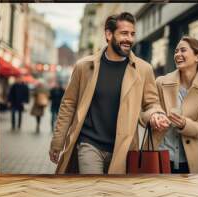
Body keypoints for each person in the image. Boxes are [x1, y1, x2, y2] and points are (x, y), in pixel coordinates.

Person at [49, 12, 169, 175]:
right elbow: (68, 104)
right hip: (89, 144)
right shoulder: (84, 67)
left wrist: (155, 114)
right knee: (93, 193)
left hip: (124, 148)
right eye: (124, 33)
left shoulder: (143, 69)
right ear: (108, 34)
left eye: (132, 34)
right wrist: (57, 142)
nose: (129, 39)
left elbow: (151, 103)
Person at [141, 36, 198, 173]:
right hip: (157, 155)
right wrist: (154, 117)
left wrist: (184, 124)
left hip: (186, 161)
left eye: (183, 50)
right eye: (176, 51)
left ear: (197, 57)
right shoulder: (161, 82)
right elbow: (144, 113)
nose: (177, 54)